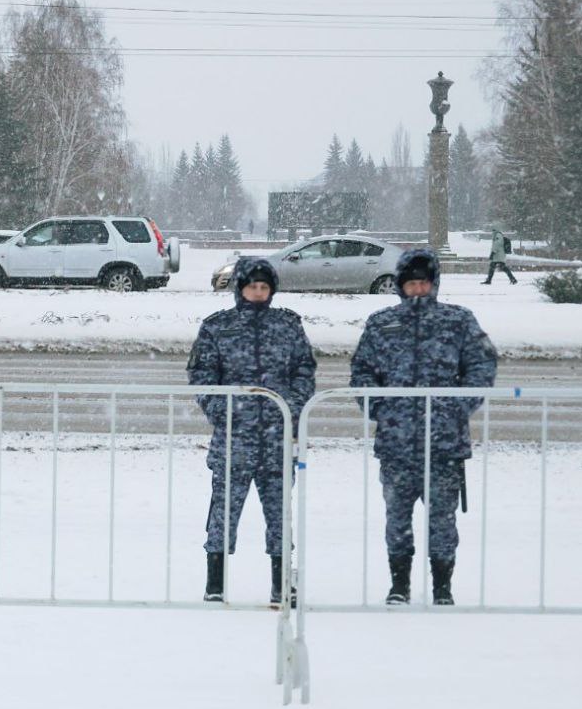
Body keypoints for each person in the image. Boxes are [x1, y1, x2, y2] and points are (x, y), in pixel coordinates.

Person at [350, 248, 498, 606]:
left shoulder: (459, 321)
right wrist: (381, 408)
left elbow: (482, 366)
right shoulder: (381, 322)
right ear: (401, 286)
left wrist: (456, 406)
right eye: (411, 283)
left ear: (434, 285)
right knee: (397, 519)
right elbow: (362, 371)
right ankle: (399, 583)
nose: (418, 289)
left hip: (445, 445)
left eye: (424, 283)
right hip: (396, 444)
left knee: (442, 523)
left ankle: (442, 585)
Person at [188, 257, 316, 605]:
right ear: (239, 288)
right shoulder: (217, 327)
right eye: (251, 287)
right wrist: (224, 412)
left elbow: (304, 371)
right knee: (223, 515)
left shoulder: (288, 325)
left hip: (277, 439)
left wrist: (289, 407)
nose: (258, 293)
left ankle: (281, 584)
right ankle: (215, 584)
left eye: (264, 287)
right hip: (234, 440)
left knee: (280, 515)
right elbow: (202, 377)